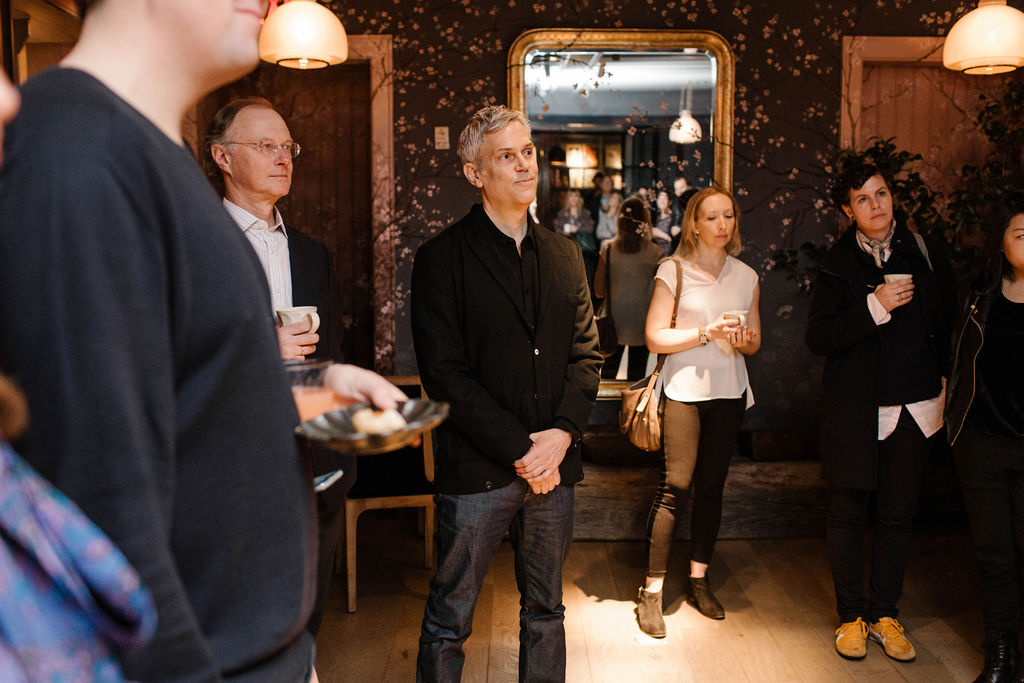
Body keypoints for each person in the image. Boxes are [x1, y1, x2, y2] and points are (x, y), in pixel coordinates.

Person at [0, 1, 405, 679]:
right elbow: (100, 506)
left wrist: (311, 383)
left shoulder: (144, 151)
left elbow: (172, 385)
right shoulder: (74, 154)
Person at [411, 105, 601, 682]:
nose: (524, 166)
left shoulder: (567, 255)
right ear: (475, 174)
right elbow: (446, 376)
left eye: (527, 152)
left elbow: (587, 357)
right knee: (451, 618)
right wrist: (526, 450)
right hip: (477, 472)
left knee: (546, 611)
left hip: (554, 471)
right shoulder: (441, 258)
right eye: (506, 156)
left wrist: (562, 437)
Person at [205, 97, 352, 641]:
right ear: (222, 156)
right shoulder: (196, 247)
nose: (282, 157)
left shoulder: (314, 255)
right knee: (241, 626)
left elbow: (332, 357)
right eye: (265, 146)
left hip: (315, 466)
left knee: (306, 621)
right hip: (229, 463)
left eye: (287, 146)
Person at [806, 162, 956, 663]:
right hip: (856, 409)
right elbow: (819, 339)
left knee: (898, 516)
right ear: (847, 210)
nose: (877, 204)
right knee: (847, 513)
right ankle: (850, 617)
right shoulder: (835, 264)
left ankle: (885, 614)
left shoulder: (926, 252)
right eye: (864, 199)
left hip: (915, 406)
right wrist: (875, 305)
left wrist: (942, 375)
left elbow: (947, 321)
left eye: (882, 194)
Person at [636, 187, 761, 637]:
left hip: (729, 391)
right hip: (683, 389)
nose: (722, 224)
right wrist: (705, 333)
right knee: (677, 485)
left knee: (712, 488)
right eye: (712, 217)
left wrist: (742, 337)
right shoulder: (673, 270)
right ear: (693, 224)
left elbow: (754, 341)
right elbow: (654, 339)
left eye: (728, 215)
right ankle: (651, 592)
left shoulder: (746, 275)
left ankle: (699, 581)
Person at [945, 191, 1024, 683]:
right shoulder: (978, 295)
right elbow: (954, 361)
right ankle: (1000, 652)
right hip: (982, 444)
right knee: (993, 553)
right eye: (1022, 234)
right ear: (1001, 243)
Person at [594, 195, 663, 380]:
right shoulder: (656, 253)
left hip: (614, 323)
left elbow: (599, 290)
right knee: (637, 377)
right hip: (643, 322)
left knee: (607, 376)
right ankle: (634, 409)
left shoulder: (608, 250)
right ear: (645, 222)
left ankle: (607, 409)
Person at [652, 189, 681, 257]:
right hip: (656, 255)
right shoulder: (655, 217)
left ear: (670, 202)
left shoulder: (674, 218)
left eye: (664, 199)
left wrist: (664, 236)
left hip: (669, 255)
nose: (661, 201)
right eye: (659, 198)